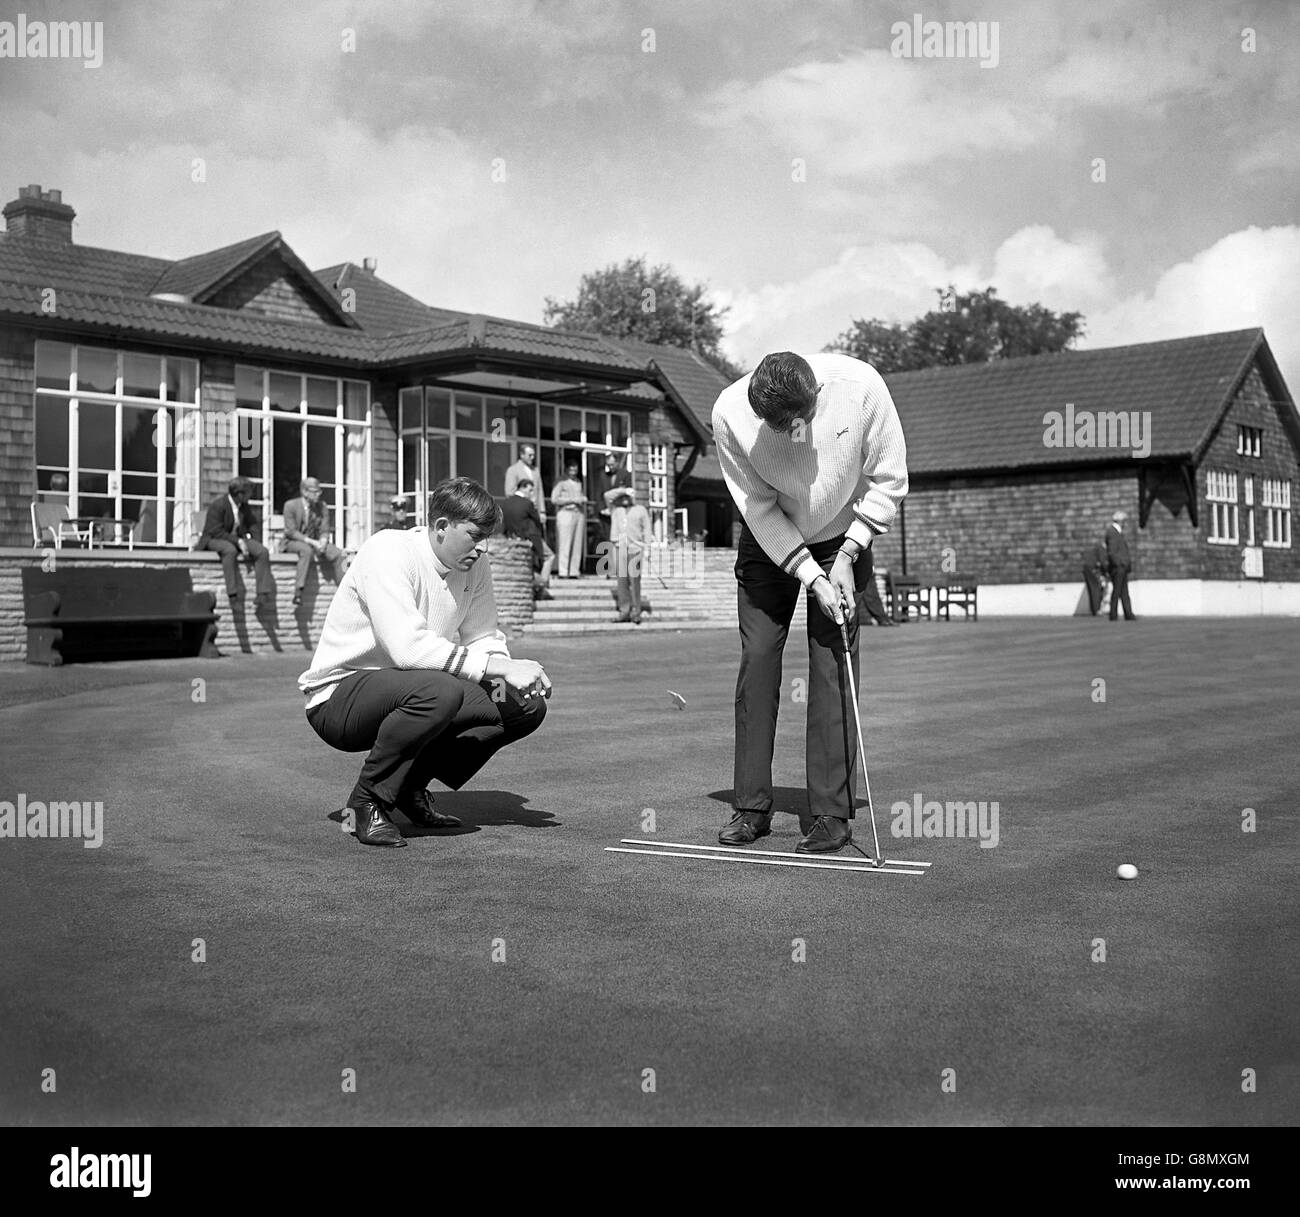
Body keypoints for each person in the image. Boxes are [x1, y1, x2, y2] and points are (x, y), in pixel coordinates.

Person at [713, 351, 908, 855]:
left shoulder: (862, 386)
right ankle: (751, 807)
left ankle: (830, 814)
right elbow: (756, 504)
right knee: (757, 660)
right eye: (774, 426)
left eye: (795, 422)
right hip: (769, 534)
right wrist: (808, 574)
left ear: (816, 393)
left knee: (832, 665)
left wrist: (846, 555)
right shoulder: (729, 412)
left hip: (841, 528)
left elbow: (890, 480)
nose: (787, 434)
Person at [299, 477, 552, 849]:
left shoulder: (475, 565)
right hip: (339, 698)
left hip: (414, 688)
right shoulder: (387, 550)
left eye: (487, 537)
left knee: (523, 705)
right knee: (441, 690)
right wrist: (500, 669)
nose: (483, 548)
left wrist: (507, 671)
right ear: (441, 527)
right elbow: (408, 649)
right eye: (474, 535)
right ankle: (368, 801)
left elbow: (483, 637)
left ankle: (409, 787)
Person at [197, 476, 275, 606]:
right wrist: (238, 541)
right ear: (240, 494)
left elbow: (252, 525)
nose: (251, 495)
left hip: (237, 538)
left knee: (262, 552)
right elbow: (216, 531)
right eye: (249, 492)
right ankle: (232, 593)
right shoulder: (218, 505)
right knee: (229, 550)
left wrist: (255, 544)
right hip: (214, 539)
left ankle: (262, 593)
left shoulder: (244, 506)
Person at [282, 477, 349, 607]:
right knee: (306, 550)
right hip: (294, 542)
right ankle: (298, 592)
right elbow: (291, 531)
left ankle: (344, 590)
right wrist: (312, 542)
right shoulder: (290, 505)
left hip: (316, 542)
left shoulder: (322, 506)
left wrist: (323, 540)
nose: (318, 494)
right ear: (305, 492)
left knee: (339, 554)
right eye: (315, 491)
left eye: (319, 491)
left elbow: (324, 528)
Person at [502, 476, 555, 600]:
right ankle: (541, 586)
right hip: (530, 537)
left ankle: (536, 585)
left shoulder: (506, 502)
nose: (532, 493)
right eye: (530, 490)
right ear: (523, 488)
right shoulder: (527, 503)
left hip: (513, 538)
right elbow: (538, 520)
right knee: (549, 557)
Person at [609, 486, 651, 624]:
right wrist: (621, 491)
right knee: (622, 582)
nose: (627, 499)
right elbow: (607, 496)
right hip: (620, 548)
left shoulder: (641, 510)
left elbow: (647, 530)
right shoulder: (616, 510)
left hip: (636, 549)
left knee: (635, 581)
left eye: (630, 496)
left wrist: (648, 549)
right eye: (625, 496)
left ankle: (636, 612)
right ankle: (624, 611)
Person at [550, 460, 587, 578]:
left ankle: (574, 571)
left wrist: (581, 499)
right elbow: (554, 499)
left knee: (577, 543)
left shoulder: (578, 482)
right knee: (565, 543)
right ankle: (563, 571)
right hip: (565, 512)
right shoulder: (561, 481)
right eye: (571, 468)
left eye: (575, 469)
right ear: (566, 469)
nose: (573, 471)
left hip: (578, 513)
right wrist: (572, 499)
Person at [1106, 510, 1137, 621]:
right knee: (1117, 591)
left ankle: (1128, 613)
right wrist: (1120, 564)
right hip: (1118, 568)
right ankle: (1113, 614)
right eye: (1124, 521)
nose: (1125, 524)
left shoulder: (1117, 532)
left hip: (1121, 567)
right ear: (1121, 521)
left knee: (1124, 592)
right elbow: (1112, 552)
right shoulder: (1112, 532)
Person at [597, 453, 632, 546]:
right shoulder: (603, 475)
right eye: (608, 465)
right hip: (607, 513)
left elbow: (629, 493)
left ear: (617, 462)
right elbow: (600, 494)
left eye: (612, 464)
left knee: (621, 538)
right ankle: (611, 559)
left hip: (620, 509)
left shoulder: (626, 474)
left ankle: (621, 558)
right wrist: (602, 509)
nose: (611, 467)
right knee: (609, 539)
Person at [1082, 536, 1108, 616]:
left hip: (1087, 569)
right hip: (1092, 569)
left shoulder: (1097, 547)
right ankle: (1097, 610)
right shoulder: (1101, 548)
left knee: (1092, 589)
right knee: (1096, 588)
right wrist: (1107, 572)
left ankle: (1094, 610)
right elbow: (1103, 562)